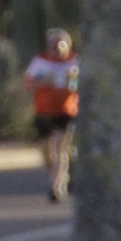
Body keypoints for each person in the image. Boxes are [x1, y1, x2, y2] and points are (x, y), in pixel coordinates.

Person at [25, 28, 79, 203]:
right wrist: (44, 82)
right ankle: (57, 177)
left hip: (66, 111)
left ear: (67, 45)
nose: (55, 48)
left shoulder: (75, 62)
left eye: (59, 44)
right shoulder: (40, 62)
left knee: (60, 146)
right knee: (46, 150)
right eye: (52, 45)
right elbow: (29, 85)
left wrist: (71, 82)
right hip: (43, 111)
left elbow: (80, 85)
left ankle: (55, 185)